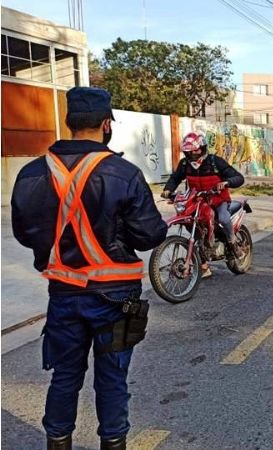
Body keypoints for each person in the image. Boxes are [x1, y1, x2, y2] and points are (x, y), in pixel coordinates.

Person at [11, 87, 168, 450]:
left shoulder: (32, 173)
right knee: (112, 378)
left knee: (65, 375)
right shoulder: (123, 173)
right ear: (105, 123)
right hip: (115, 300)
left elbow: (24, 232)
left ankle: (58, 441)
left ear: (68, 122)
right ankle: (113, 441)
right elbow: (149, 235)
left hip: (64, 296)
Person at [162, 132, 245, 277]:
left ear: (203, 148)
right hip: (197, 201)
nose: (193, 154)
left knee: (224, 219)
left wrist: (226, 182)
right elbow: (175, 178)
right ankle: (204, 266)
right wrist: (168, 190)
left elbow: (238, 177)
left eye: (196, 150)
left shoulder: (215, 162)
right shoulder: (184, 164)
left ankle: (232, 243)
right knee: (193, 226)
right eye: (189, 152)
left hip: (218, 200)